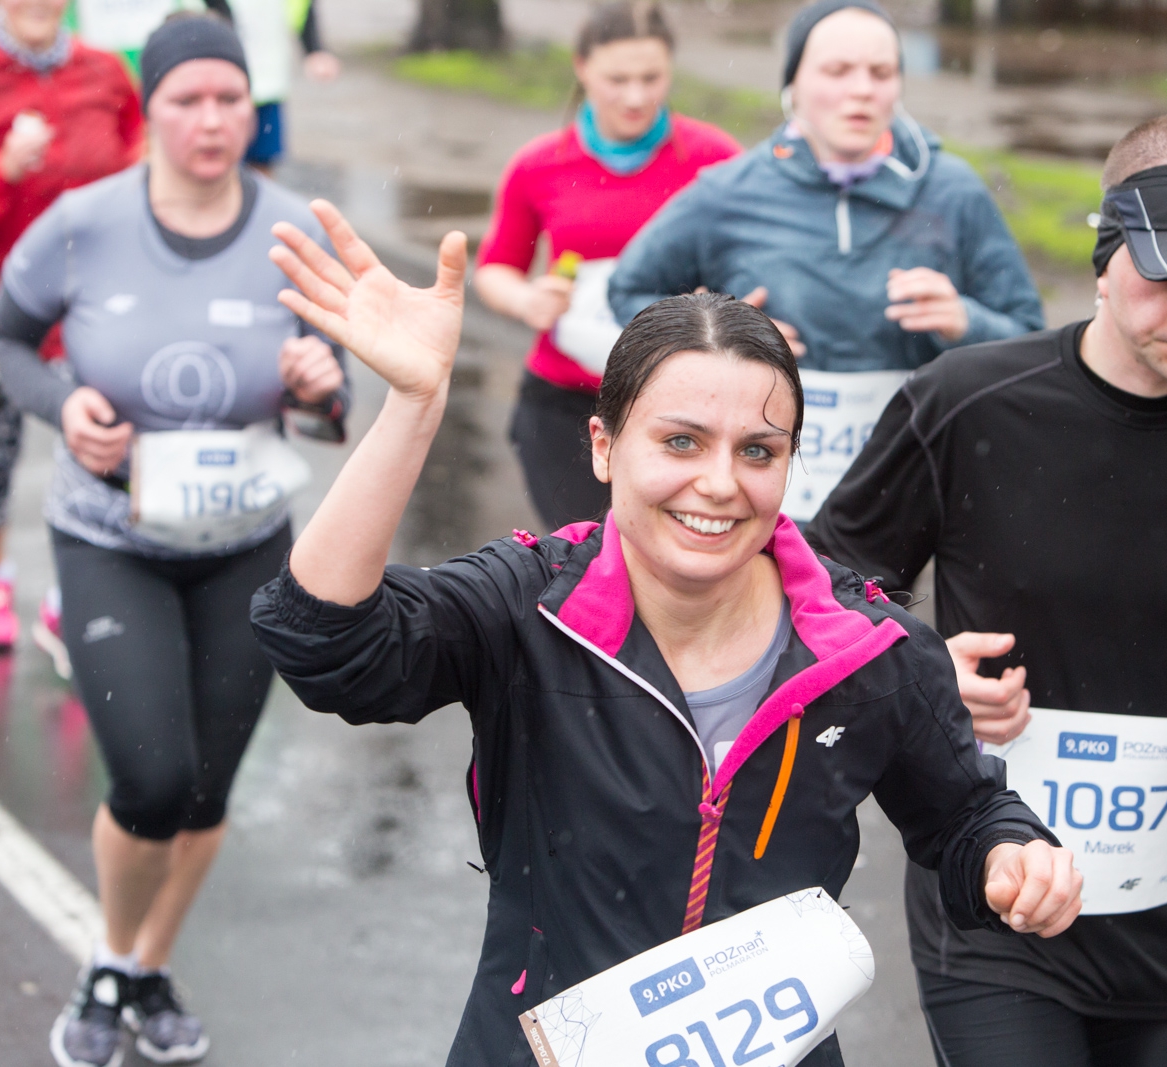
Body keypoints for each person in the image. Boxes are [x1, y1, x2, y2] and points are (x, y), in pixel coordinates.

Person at [249, 203, 1084, 1064]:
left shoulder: (866, 649)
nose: (719, 483)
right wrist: (414, 405)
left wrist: (1012, 855)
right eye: (680, 441)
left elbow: (966, 812)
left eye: (759, 451)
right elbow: (327, 644)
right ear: (605, 447)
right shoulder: (531, 605)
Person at [807, 114, 1167, 1067]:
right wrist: (925, 668)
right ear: (1106, 256)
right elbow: (826, 586)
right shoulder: (962, 402)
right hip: (996, 882)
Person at [0, 15, 347, 1067]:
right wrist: (66, 405)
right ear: (150, 111)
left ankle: (148, 963)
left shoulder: (296, 230)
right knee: (150, 779)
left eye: (229, 98)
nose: (210, 119)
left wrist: (323, 391)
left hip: (245, 542)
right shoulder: (80, 223)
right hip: (113, 537)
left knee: (205, 791)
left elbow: (333, 401)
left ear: (252, 107)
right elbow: (7, 339)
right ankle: (106, 955)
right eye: (187, 99)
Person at [608, 0, 1042, 522]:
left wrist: (966, 322)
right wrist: (713, 333)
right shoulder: (728, 193)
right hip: (770, 485)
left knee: (882, 602)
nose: (862, 89)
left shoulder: (953, 192)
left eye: (880, 72)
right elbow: (629, 292)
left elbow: (1028, 339)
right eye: (837, 70)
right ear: (794, 83)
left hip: (910, 482)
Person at [0, 0, 144, 655]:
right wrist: (1, 170)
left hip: (94, 312)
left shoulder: (105, 74)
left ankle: (73, 596)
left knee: (101, 450)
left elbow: (142, 170)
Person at [474, 1, 741, 530]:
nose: (636, 96)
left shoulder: (715, 161)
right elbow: (495, 268)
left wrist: (722, 300)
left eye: (652, 77)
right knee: (591, 560)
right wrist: (527, 299)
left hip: (683, 401)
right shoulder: (539, 165)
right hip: (564, 402)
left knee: (673, 562)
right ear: (581, 67)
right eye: (617, 79)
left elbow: (753, 267)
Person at [206, 0, 339, 170]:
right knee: (215, 162)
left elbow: (301, 7)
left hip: (267, 84)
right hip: (216, 86)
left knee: (262, 162)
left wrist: (314, 48)